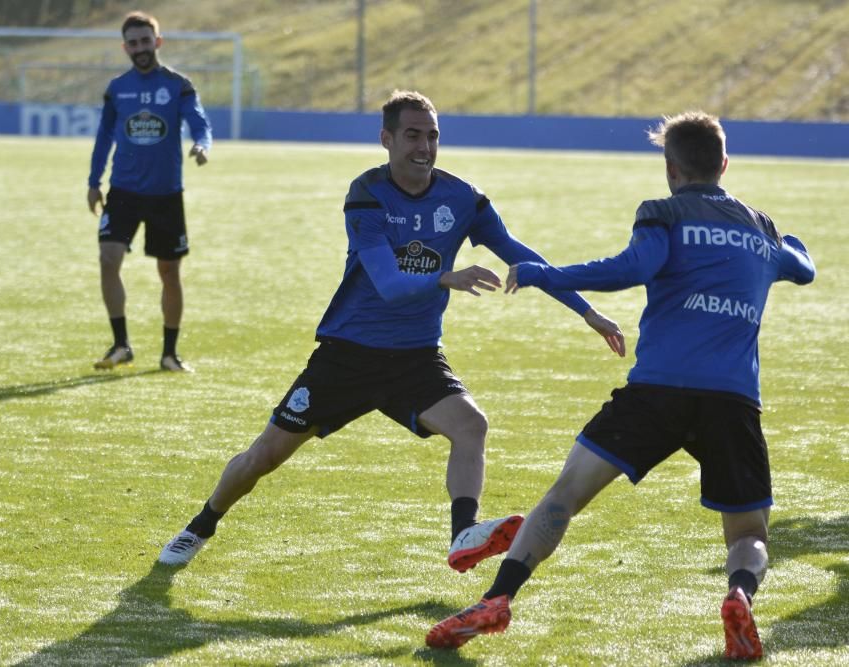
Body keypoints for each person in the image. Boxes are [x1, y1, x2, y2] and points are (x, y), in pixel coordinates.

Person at [157, 90, 625, 572]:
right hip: (348, 355)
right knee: (264, 457)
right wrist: (448, 276)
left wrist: (586, 311)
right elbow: (389, 285)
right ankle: (201, 524)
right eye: (412, 135)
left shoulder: (463, 198)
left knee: (471, 426)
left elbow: (521, 257)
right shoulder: (367, 195)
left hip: (415, 356)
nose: (424, 146)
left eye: (433, 135)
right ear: (387, 139)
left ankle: (463, 534)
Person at [426, 111, 816, 660]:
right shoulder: (761, 228)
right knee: (748, 532)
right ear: (724, 164)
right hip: (732, 399)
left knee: (565, 495)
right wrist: (791, 244)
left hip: (657, 390)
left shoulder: (665, 212)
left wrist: (546, 274)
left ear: (670, 168)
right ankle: (738, 594)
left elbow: (630, 268)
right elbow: (803, 267)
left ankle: (497, 599)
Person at [87, 11, 212, 372]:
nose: (140, 48)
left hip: (165, 195)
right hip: (123, 191)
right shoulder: (117, 88)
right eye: (133, 43)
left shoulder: (177, 84)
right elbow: (103, 139)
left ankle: (169, 353)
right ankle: (121, 345)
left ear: (158, 42)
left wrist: (202, 145)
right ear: (125, 47)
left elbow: (199, 123)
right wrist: (94, 182)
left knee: (169, 273)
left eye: (146, 41)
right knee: (108, 258)